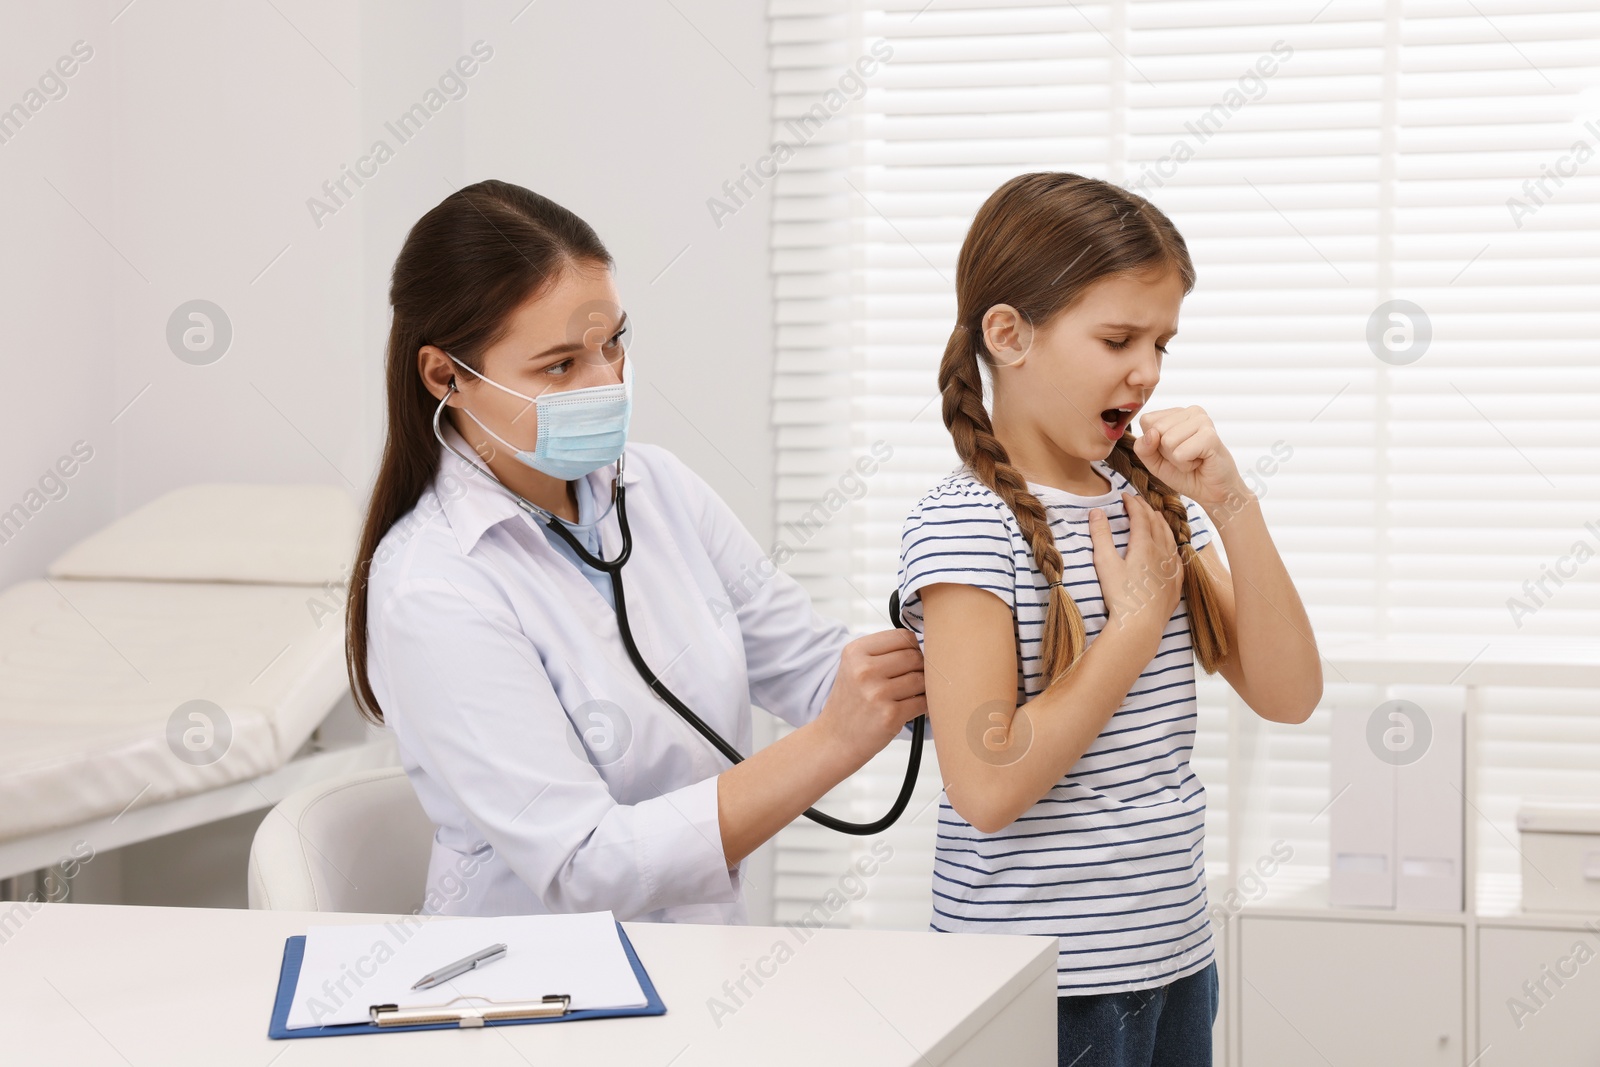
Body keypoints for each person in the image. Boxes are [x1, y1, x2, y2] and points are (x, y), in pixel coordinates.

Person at [345, 179, 925, 922]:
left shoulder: (657, 487)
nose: (606, 382)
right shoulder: (433, 584)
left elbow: (816, 669)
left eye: (612, 342)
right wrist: (833, 743)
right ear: (445, 375)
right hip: (534, 1001)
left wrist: (995, 641)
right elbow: (587, 865)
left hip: (696, 963)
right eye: (559, 365)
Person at [895, 172, 1323, 1067]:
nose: (1149, 371)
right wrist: (1131, 626)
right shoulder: (966, 525)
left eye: (1162, 342)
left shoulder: (1145, 500)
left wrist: (1229, 500)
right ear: (1009, 334)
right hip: (1048, 984)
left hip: (1173, 957)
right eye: (1118, 338)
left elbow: (1288, 694)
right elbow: (987, 788)